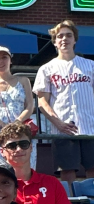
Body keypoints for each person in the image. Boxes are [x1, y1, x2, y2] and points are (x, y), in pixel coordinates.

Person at [33, 20, 94, 187]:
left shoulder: (90, 66)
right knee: (67, 172)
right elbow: (42, 101)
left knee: (93, 170)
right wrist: (58, 123)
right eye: (60, 36)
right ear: (54, 42)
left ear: (75, 40)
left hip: (90, 127)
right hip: (63, 129)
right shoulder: (47, 68)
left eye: (69, 35)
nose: (64, 39)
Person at [0, 46, 36, 166]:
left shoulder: (24, 80)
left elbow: (30, 105)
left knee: (24, 168)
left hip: (21, 131)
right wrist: (3, 126)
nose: (0, 62)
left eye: (4, 57)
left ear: (10, 60)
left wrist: (17, 122)